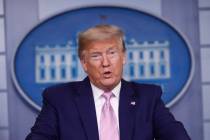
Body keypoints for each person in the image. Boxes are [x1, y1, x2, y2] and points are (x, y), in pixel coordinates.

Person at [26, 24, 191, 140]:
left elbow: (177, 136)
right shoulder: (59, 99)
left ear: (124, 57)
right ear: (84, 63)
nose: (106, 63)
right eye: (96, 55)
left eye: (112, 53)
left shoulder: (148, 97)